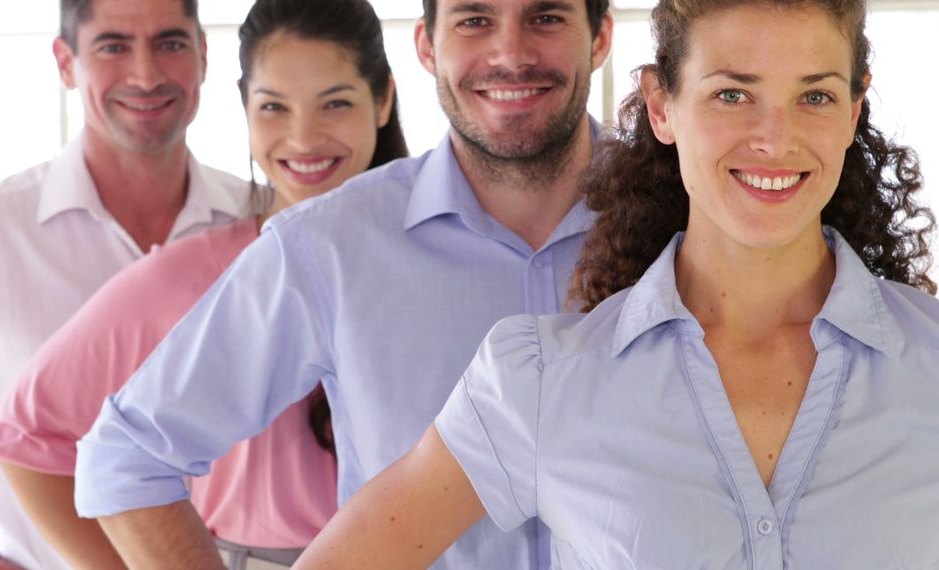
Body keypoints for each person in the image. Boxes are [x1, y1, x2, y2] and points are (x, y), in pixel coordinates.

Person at [294, 0, 939, 567]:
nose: (776, 138)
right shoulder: (541, 380)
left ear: (855, 112)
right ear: (663, 106)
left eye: (816, 96)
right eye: (733, 94)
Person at [73, 0, 614, 568]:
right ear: (426, 46)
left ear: (600, 36)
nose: (510, 54)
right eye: (474, 20)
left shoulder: (683, 219)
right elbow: (126, 456)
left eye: (546, 17)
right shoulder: (326, 245)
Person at [0, 0, 406, 568]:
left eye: (336, 103)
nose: (303, 138)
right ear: (245, 109)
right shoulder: (189, 275)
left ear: (383, 99)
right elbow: (26, 437)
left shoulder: (436, 263)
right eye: (273, 106)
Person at [0, 0, 258, 568]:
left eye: (170, 43)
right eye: (113, 47)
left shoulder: (264, 226)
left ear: (203, 56)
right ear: (65, 63)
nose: (146, 75)